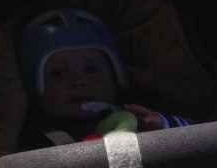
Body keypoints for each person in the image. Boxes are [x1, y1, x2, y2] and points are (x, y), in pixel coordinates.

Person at [16, 8, 192, 148]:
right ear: (36, 85)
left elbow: (197, 140)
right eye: (59, 73)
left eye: (91, 70)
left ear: (116, 77)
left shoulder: (137, 118)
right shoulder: (32, 142)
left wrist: (162, 125)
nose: (78, 81)